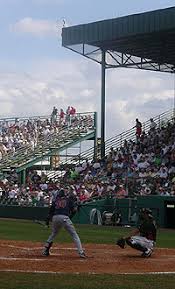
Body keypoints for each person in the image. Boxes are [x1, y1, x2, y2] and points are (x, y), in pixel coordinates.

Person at [42, 188, 87, 258]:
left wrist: (47, 223)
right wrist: (71, 216)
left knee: (53, 234)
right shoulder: (68, 200)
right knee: (74, 234)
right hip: (64, 218)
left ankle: (45, 250)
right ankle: (81, 252)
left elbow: (50, 213)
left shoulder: (55, 201)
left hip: (55, 217)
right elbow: (74, 210)